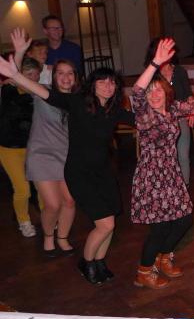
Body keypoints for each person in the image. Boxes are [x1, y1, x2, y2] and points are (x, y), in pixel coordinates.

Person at [0, 52, 135, 284]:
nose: (107, 86)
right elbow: (45, 93)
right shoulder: (77, 102)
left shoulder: (114, 111)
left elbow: (142, 118)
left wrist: (169, 112)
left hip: (103, 173)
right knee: (105, 224)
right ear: (92, 85)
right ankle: (86, 262)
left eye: (112, 82)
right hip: (80, 174)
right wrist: (15, 74)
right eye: (102, 81)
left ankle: (99, 262)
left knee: (110, 222)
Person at [131, 38, 194, 289]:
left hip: (172, 175)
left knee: (185, 219)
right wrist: (155, 62)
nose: (154, 95)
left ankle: (164, 256)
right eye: (151, 91)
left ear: (166, 92)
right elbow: (136, 92)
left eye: (159, 90)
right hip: (151, 178)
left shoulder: (173, 109)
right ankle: (144, 271)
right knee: (160, 227)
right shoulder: (145, 115)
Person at [11, 28, 78, 255]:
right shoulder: (43, 92)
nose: (66, 77)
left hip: (67, 156)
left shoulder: (78, 100)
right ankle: (49, 236)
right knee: (52, 204)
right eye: (61, 73)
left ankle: (62, 237)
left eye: (70, 73)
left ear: (75, 77)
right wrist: (20, 53)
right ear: (53, 76)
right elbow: (16, 78)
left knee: (69, 201)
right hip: (42, 155)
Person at [0, 52, 41, 238]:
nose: (34, 78)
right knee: (23, 189)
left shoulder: (38, 91)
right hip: (9, 148)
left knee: (42, 186)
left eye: (36, 74)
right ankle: (23, 221)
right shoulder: (8, 90)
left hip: (33, 147)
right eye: (29, 74)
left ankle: (48, 215)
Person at [143, 39, 194, 183]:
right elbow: (143, 95)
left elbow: (188, 94)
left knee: (183, 156)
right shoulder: (151, 73)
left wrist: (192, 111)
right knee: (162, 158)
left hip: (179, 118)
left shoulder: (180, 71)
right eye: (162, 50)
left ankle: (184, 187)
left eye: (168, 50)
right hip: (158, 121)